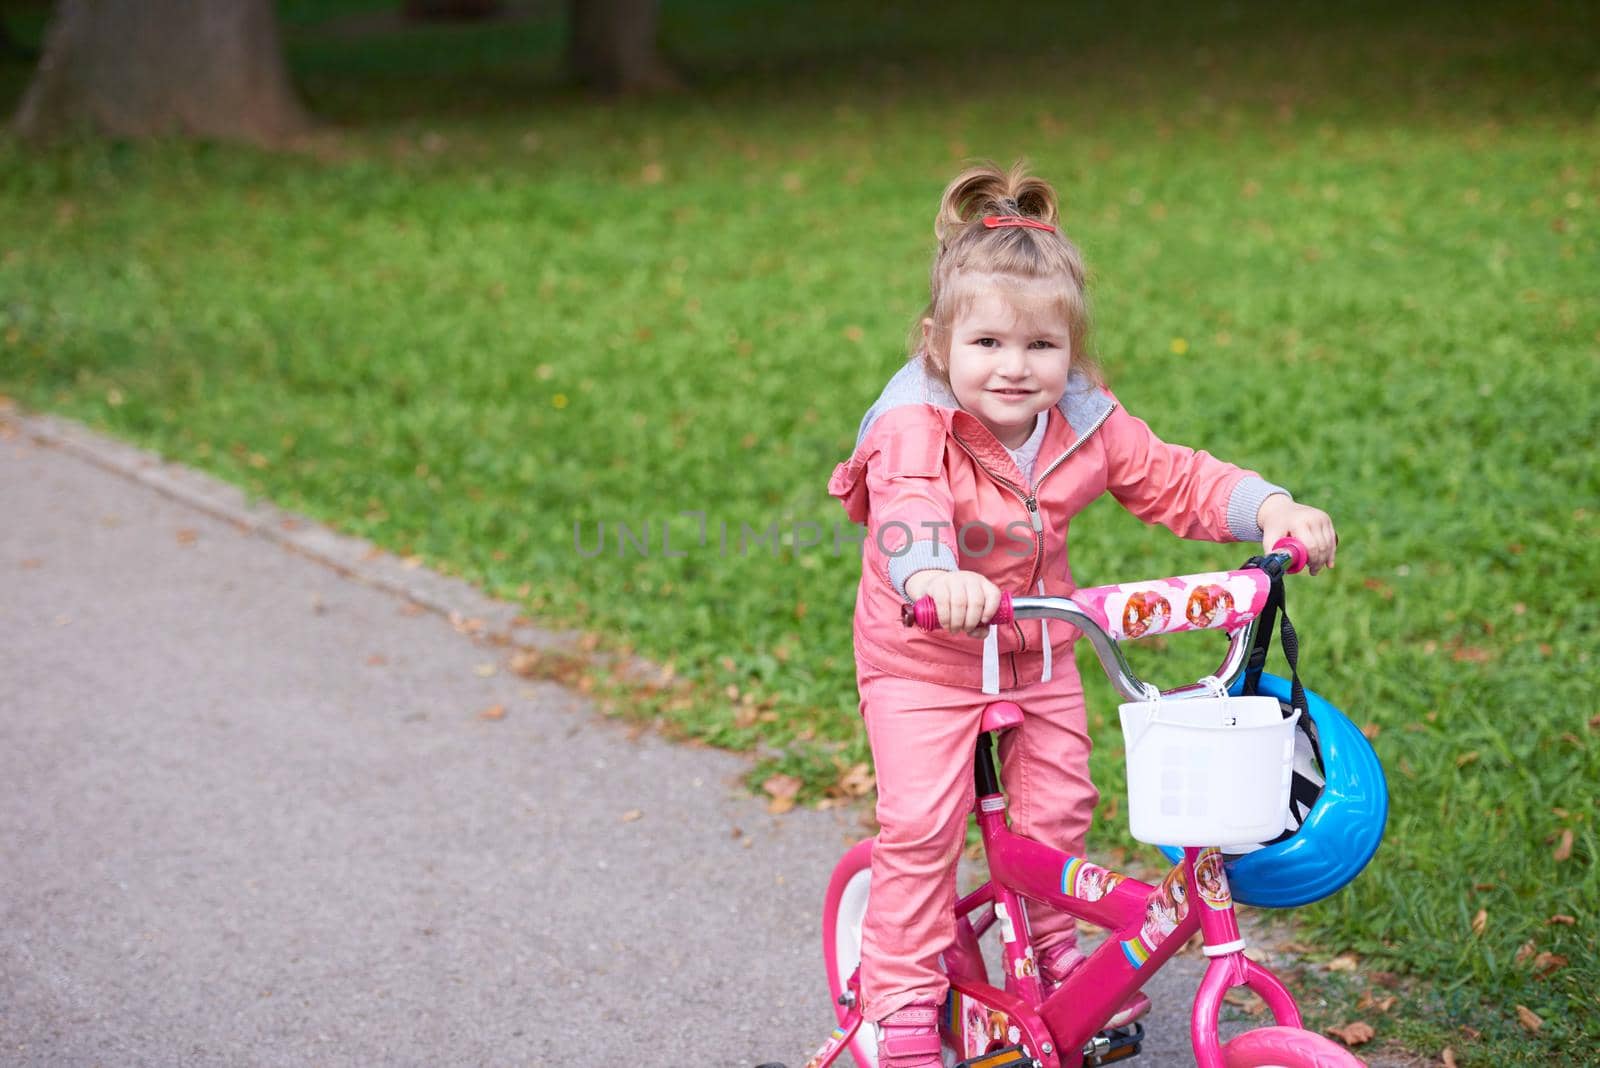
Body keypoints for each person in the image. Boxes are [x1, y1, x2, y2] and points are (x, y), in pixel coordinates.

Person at [825, 161, 1337, 1067]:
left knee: (1059, 814)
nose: (1015, 369)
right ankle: (896, 1002)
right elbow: (906, 514)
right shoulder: (915, 428)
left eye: (1040, 348)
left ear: (1073, 352)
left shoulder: (1086, 422)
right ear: (938, 345)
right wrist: (935, 575)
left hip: (1037, 647)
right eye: (986, 344)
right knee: (922, 828)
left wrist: (1270, 510)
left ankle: (1058, 961)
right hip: (925, 659)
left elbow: (1174, 477)